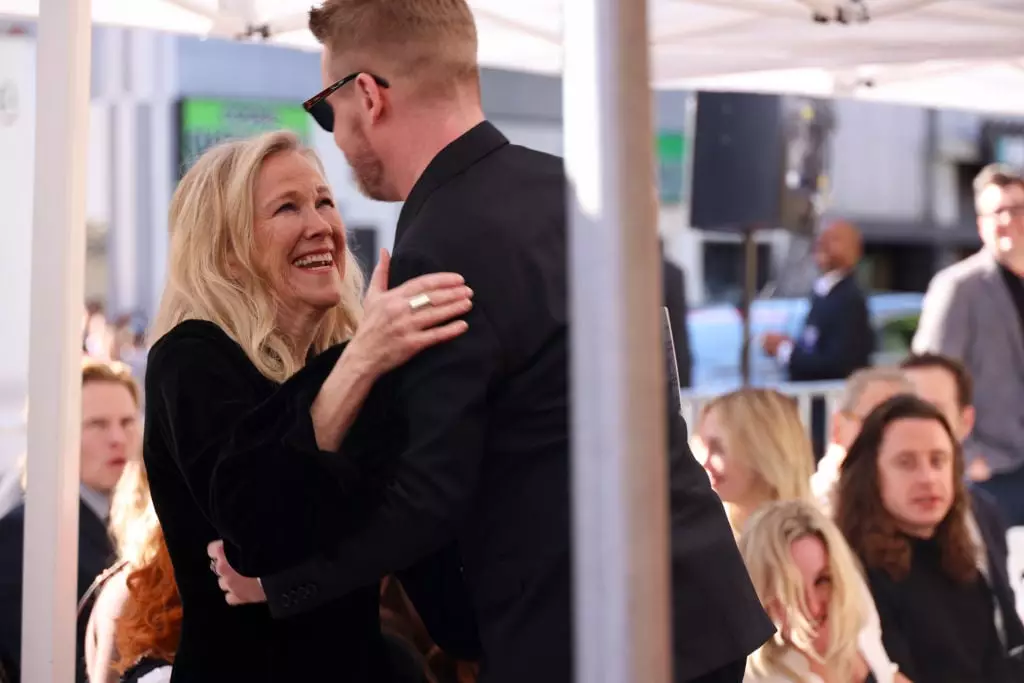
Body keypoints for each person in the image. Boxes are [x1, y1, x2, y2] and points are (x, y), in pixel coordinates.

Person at [209, 2, 772, 682]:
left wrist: (283, 581)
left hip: (585, 634)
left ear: (367, 94)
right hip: (698, 606)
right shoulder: (578, 190)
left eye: (327, 110)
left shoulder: (442, 241)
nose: (334, 135)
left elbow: (426, 496)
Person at [142, 131, 473, 681]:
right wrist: (362, 362)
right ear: (225, 246)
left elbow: (411, 526)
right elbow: (261, 525)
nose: (321, 225)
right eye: (287, 208)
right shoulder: (191, 358)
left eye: (324, 201)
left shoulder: (345, 359)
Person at [835, 395, 1024, 682]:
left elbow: (996, 666)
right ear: (871, 475)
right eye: (906, 463)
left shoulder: (962, 556)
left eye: (938, 460)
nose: (928, 477)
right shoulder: (854, 573)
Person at [0, 358, 137, 683]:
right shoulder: (23, 534)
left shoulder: (138, 524)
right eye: (97, 424)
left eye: (127, 421)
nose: (118, 437)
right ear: (53, 434)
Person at [912, 164, 1024, 526]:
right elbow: (926, 382)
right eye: (997, 212)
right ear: (981, 225)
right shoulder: (958, 287)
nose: (1007, 220)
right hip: (992, 471)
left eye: (1017, 209)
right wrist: (967, 455)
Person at [739, 500, 891, 683]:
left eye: (822, 581)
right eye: (791, 592)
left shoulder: (856, 610)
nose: (813, 607)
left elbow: (890, 675)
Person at [762, 220, 874, 458]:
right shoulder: (822, 293)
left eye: (834, 240)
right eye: (821, 240)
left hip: (827, 419)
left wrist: (786, 351)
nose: (822, 246)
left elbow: (838, 361)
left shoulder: (850, 300)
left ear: (855, 250)